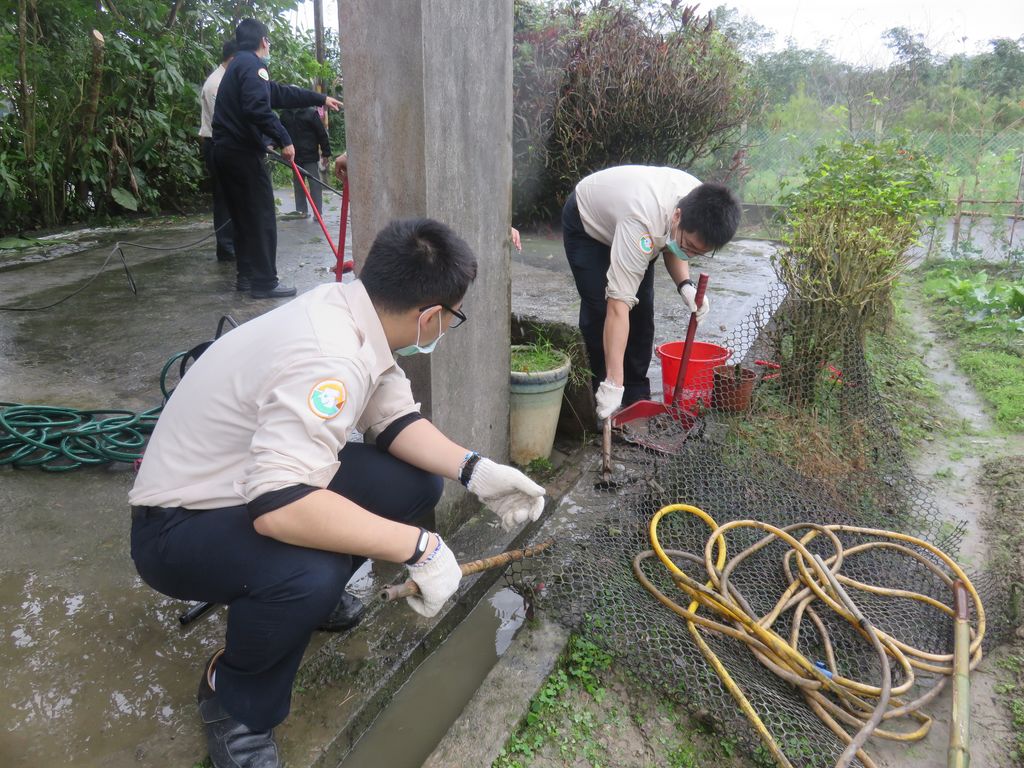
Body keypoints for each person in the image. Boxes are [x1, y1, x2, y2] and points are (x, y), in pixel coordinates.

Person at [128, 217, 547, 768]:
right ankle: (235, 701)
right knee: (307, 571)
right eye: (452, 317)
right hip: (176, 526)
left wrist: (475, 471)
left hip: (243, 483)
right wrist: (421, 548)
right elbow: (280, 507)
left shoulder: (354, 313)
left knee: (411, 484)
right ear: (428, 316)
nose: (448, 325)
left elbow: (393, 420)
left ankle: (301, 605)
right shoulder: (329, 355)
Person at [562, 165, 741, 420]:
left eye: (699, 253)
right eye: (689, 246)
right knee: (603, 310)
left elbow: (674, 246)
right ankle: (601, 396)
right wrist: (614, 381)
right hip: (589, 224)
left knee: (642, 311)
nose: (690, 255)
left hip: (638, 221)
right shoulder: (644, 222)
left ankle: (635, 396)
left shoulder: (701, 202)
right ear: (677, 216)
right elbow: (617, 306)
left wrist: (685, 285)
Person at [212, 18, 342, 299]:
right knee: (260, 216)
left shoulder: (239, 65)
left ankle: (246, 277)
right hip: (241, 153)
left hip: (225, 151)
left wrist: (319, 99)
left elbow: (277, 93)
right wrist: (284, 138)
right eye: (268, 41)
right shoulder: (253, 65)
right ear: (263, 41)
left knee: (243, 217)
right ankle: (265, 281)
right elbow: (257, 107)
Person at [198, 39, 237, 262]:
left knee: (233, 196)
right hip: (217, 143)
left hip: (226, 142)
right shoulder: (215, 84)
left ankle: (233, 242)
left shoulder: (228, 79)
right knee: (223, 197)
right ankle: (226, 247)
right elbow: (222, 120)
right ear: (233, 58)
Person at [280, 106, 331, 218]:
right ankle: (301, 212)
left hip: (310, 155)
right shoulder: (285, 115)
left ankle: (318, 213)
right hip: (294, 157)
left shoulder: (311, 113)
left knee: (315, 185)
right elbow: (279, 133)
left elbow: (321, 133)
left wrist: (326, 153)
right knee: (298, 185)